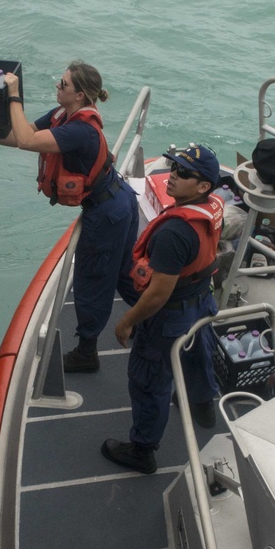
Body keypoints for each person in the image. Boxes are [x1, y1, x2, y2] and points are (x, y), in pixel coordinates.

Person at [0, 62, 139, 372]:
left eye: (62, 85)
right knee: (123, 273)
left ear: (79, 94)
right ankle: (153, 321)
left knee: (92, 279)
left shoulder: (79, 130)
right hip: (119, 199)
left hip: (107, 213)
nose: (57, 87)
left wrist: (13, 94)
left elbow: (26, 141)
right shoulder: (62, 115)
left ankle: (87, 352)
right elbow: (20, 135)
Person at [101, 143, 224, 475]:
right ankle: (202, 404)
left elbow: (157, 295)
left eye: (183, 173)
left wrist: (126, 321)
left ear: (202, 186)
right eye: (174, 167)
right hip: (201, 301)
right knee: (198, 354)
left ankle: (142, 450)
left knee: (149, 379)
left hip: (170, 315)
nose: (172, 176)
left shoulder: (173, 232)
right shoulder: (212, 206)